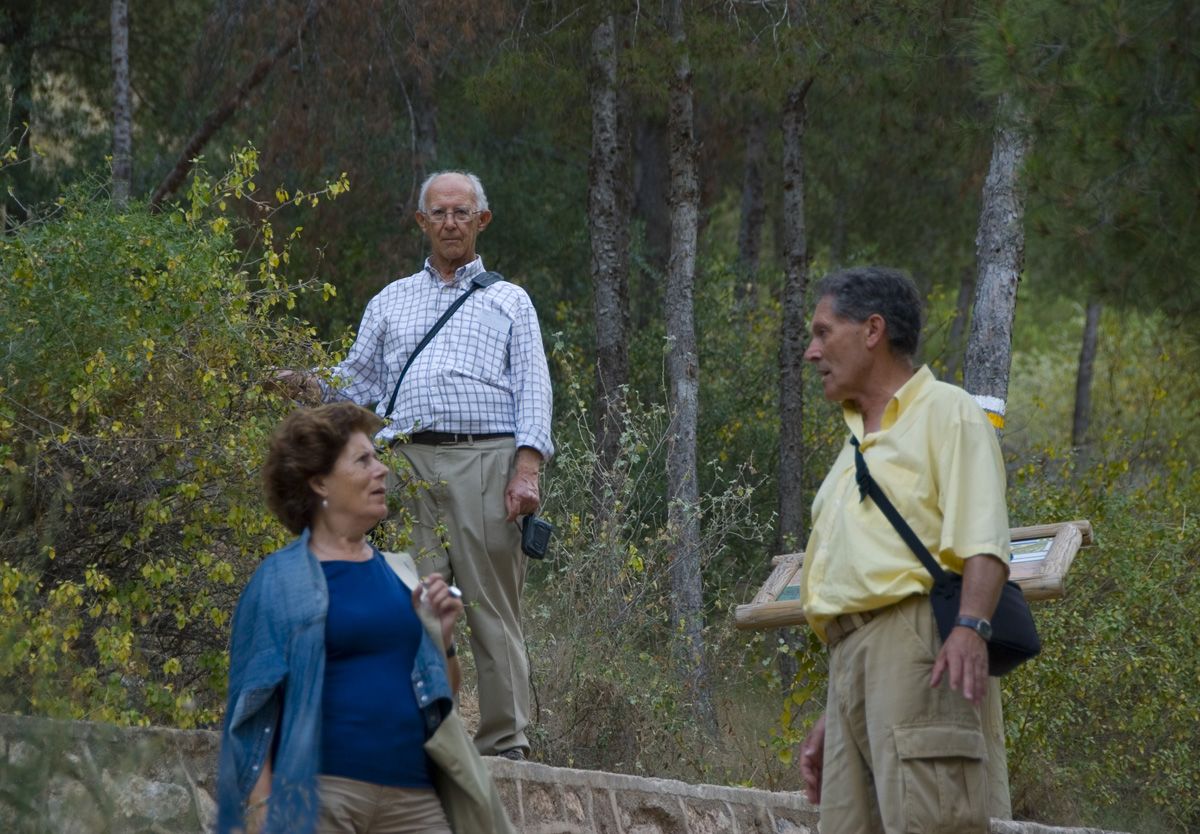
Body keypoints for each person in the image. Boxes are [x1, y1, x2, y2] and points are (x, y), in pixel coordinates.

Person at [281, 170, 553, 760]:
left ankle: (505, 741)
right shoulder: (390, 300)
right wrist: (306, 385)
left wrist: (526, 471)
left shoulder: (511, 300)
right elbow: (356, 385)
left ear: (482, 220)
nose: (450, 223)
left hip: (486, 459)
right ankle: (420, 736)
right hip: (404, 465)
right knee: (411, 605)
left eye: (462, 212)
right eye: (439, 213)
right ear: (422, 222)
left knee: (490, 607)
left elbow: (534, 390)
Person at [795, 266, 1012, 834]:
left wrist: (971, 628)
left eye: (823, 332)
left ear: (872, 330)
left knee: (930, 820)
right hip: (850, 660)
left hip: (916, 645)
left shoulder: (947, 410)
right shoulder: (853, 444)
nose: (811, 352)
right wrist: (840, 708)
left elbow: (984, 537)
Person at [215, 402, 472, 834]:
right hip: (321, 797)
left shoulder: (400, 573)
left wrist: (443, 640)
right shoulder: (279, 579)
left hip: (414, 798)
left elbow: (442, 695)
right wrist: (262, 807)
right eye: (363, 460)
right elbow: (249, 706)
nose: (382, 470)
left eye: (378, 457)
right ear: (319, 482)